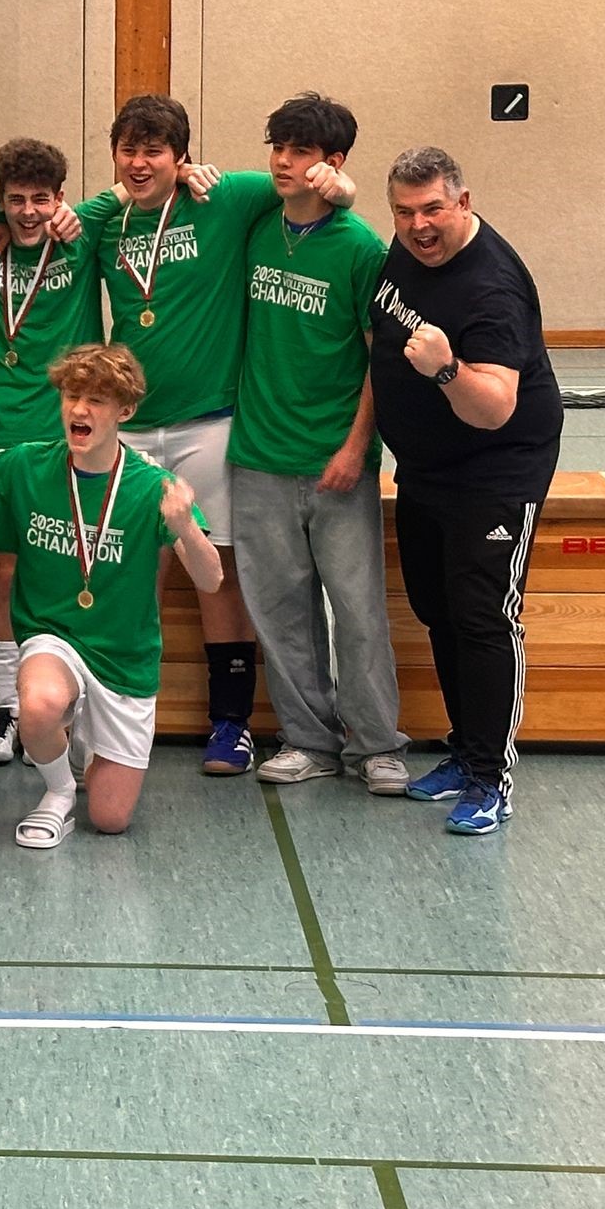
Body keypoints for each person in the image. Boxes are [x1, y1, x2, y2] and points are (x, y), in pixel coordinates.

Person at [95, 96, 352, 777]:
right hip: (128, 431)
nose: (139, 163)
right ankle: (119, 716)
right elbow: (29, 221)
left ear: (182, 156)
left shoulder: (227, 197)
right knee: (128, 574)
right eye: (128, 150)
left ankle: (231, 723)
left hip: (209, 423)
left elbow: (310, 188)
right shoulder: (104, 219)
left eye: (155, 151)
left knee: (220, 574)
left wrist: (345, 185)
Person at [370, 147, 563, 835]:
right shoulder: (404, 254)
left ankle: (491, 776)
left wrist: (446, 368)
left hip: (495, 470)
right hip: (427, 467)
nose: (419, 226)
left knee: (484, 617)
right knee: (439, 608)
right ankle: (464, 751)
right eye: (404, 212)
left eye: (433, 210)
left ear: (464, 202)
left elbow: (495, 408)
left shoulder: (492, 287)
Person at [226, 94, 406, 796]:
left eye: (299, 151)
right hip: (259, 456)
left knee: (357, 610)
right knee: (280, 612)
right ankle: (308, 741)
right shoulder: (256, 228)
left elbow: (378, 359)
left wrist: (356, 448)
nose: (282, 161)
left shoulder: (362, 249)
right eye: (278, 147)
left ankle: (377, 746)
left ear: (332, 162)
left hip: (337, 462)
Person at [0, 345, 223, 847]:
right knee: (39, 703)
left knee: (112, 819)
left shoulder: (152, 486)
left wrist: (185, 526)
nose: (79, 409)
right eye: (72, 396)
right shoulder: (25, 466)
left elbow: (211, 579)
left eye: (95, 400)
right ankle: (57, 792)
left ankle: (85, 745)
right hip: (54, 638)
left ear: (125, 411)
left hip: (123, 657)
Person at [0, 139, 110, 766]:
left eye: (42, 199)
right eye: (15, 200)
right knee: (0, 572)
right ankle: (3, 709)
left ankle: (65, 706)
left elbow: (139, 191)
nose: (28, 212)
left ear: (62, 198)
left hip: (70, 428)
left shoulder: (84, 232)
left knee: (68, 566)